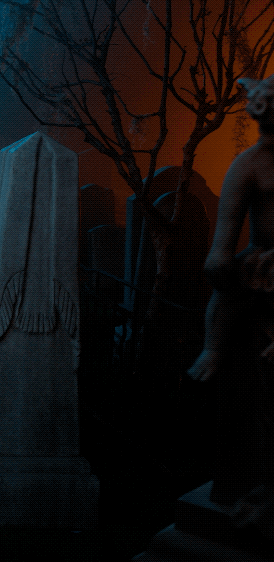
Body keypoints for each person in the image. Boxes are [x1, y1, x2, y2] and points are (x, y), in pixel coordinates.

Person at [187, 75, 273, 517]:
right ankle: (213, 347)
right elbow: (221, 247)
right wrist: (224, 265)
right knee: (233, 292)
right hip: (264, 270)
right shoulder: (248, 165)